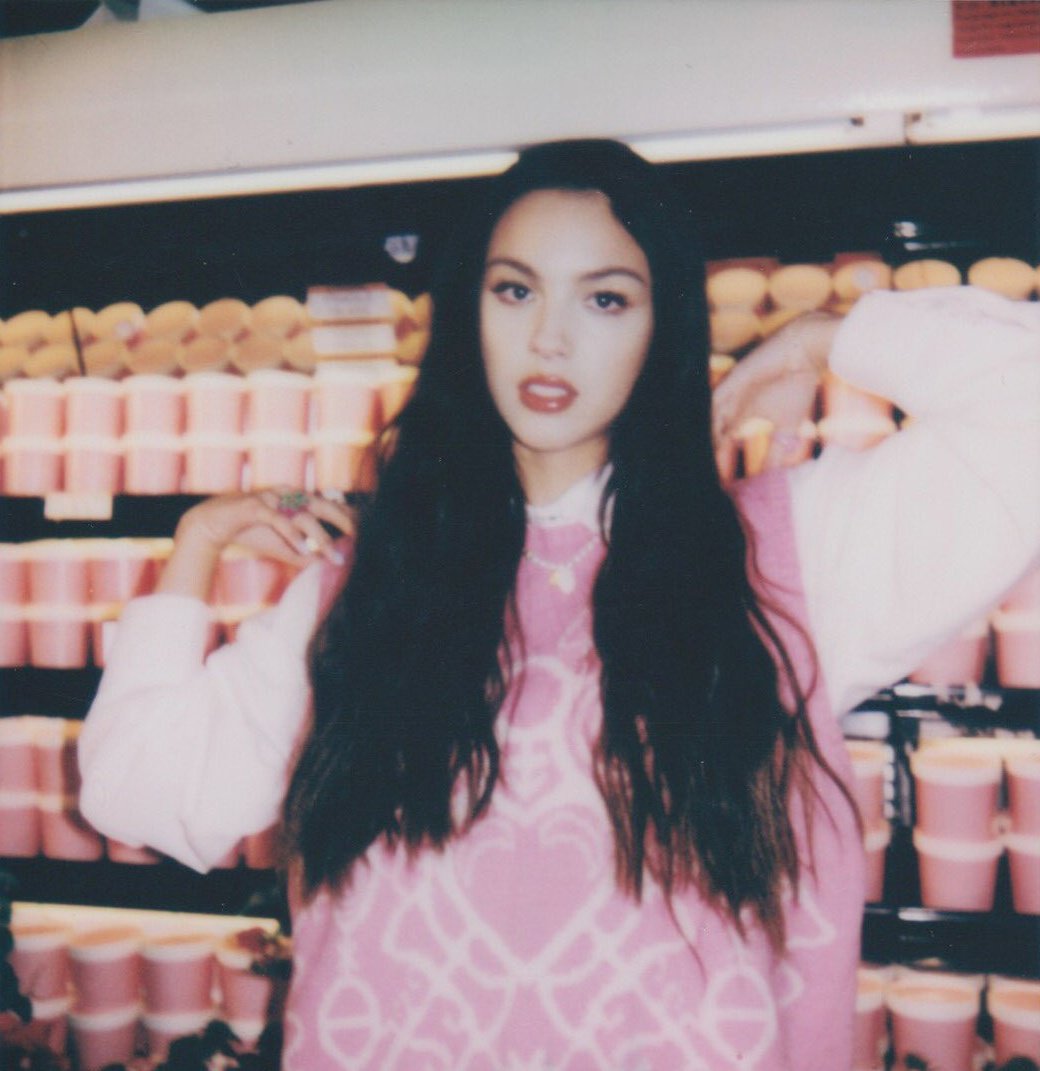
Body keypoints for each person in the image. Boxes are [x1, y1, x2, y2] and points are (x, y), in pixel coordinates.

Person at [79, 140, 1040, 1070]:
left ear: (664, 326)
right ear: (469, 310)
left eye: (606, 298)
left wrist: (821, 336)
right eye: (515, 290)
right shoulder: (368, 587)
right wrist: (194, 550)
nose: (550, 337)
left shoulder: (776, 559)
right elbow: (139, 791)